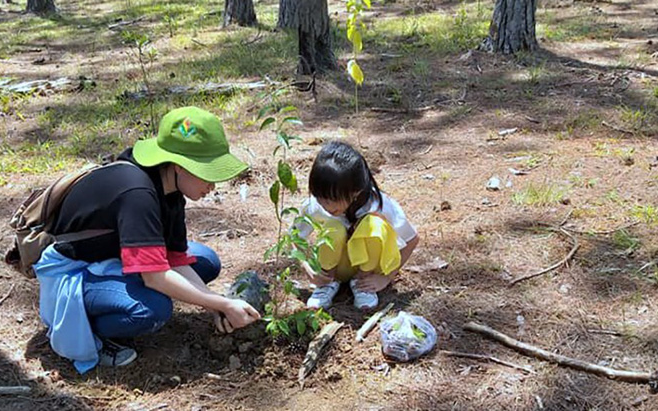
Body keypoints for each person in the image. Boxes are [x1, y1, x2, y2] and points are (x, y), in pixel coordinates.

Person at [34, 107, 261, 373]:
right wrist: (221, 303)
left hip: (112, 259)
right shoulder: (137, 193)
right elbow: (154, 277)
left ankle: (117, 298)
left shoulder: (170, 191)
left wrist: (212, 303)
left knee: (206, 261)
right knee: (152, 309)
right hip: (74, 272)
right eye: (207, 172)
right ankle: (89, 331)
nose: (213, 185)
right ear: (178, 166)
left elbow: (174, 258)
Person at [297, 141, 419, 311]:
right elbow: (294, 238)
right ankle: (327, 284)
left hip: (367, 269)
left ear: (355, 192)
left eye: (332, 199)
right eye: (320, 197)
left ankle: (363, 285)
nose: (325, 205)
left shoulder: (379, 204)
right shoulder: (315, 205)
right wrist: (308, 269)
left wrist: (385, 278)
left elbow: (412, 239)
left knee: (373, 225)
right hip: (337, 267)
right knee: (334, 228)